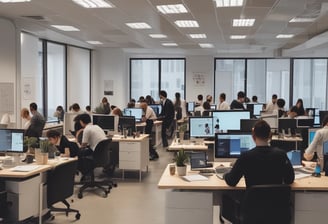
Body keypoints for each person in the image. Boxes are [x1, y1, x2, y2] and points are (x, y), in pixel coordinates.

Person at [222, 120, 295, 223]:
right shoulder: (281, 155)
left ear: (253, 136)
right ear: (270, 135)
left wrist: (226, 175)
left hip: (252, 212)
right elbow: (290, 179)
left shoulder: (246, 157)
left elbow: (231, 181)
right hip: (278, 211)